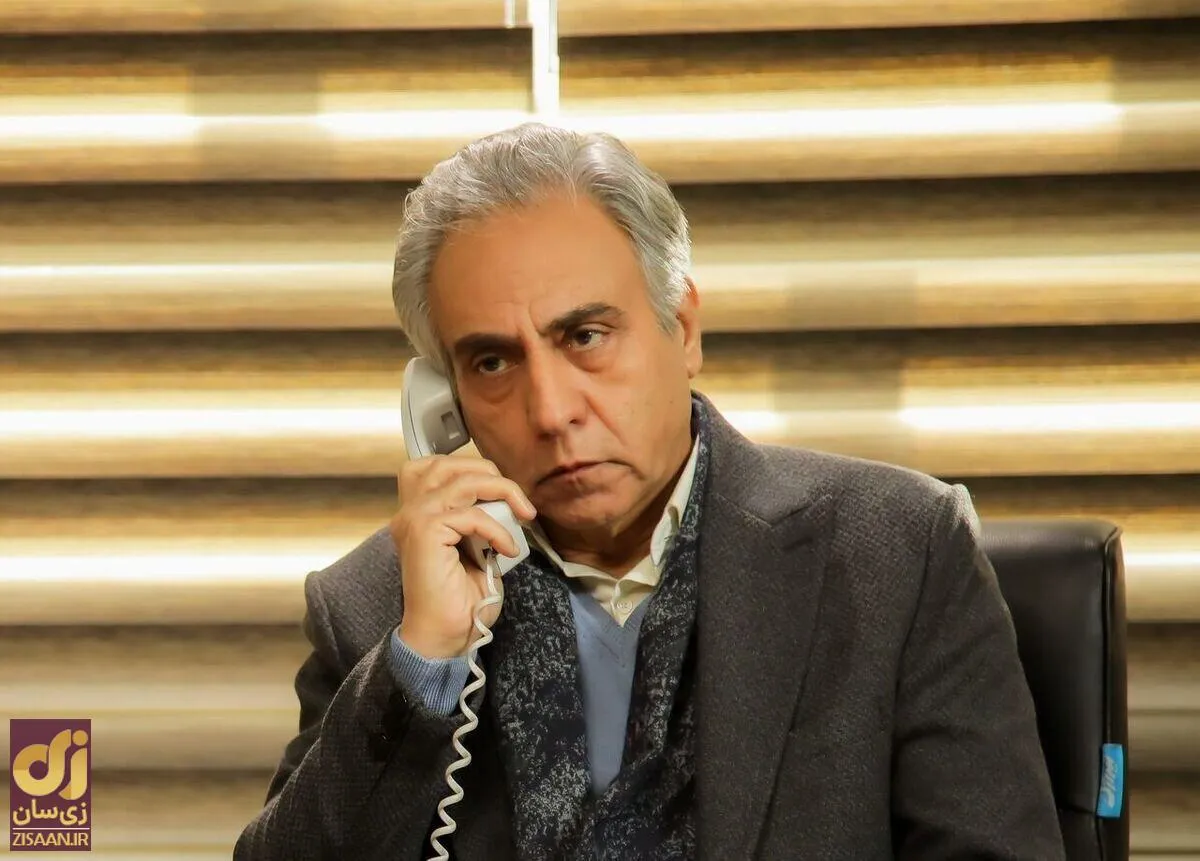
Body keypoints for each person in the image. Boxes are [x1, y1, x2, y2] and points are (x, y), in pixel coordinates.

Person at [235, 122, 1064, 860]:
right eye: (491, 361)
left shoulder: (899, 552)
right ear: (443, 402)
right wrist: (424, 665)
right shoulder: (379, 606)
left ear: (684, 328)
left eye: (586, 335)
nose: (551, 411)